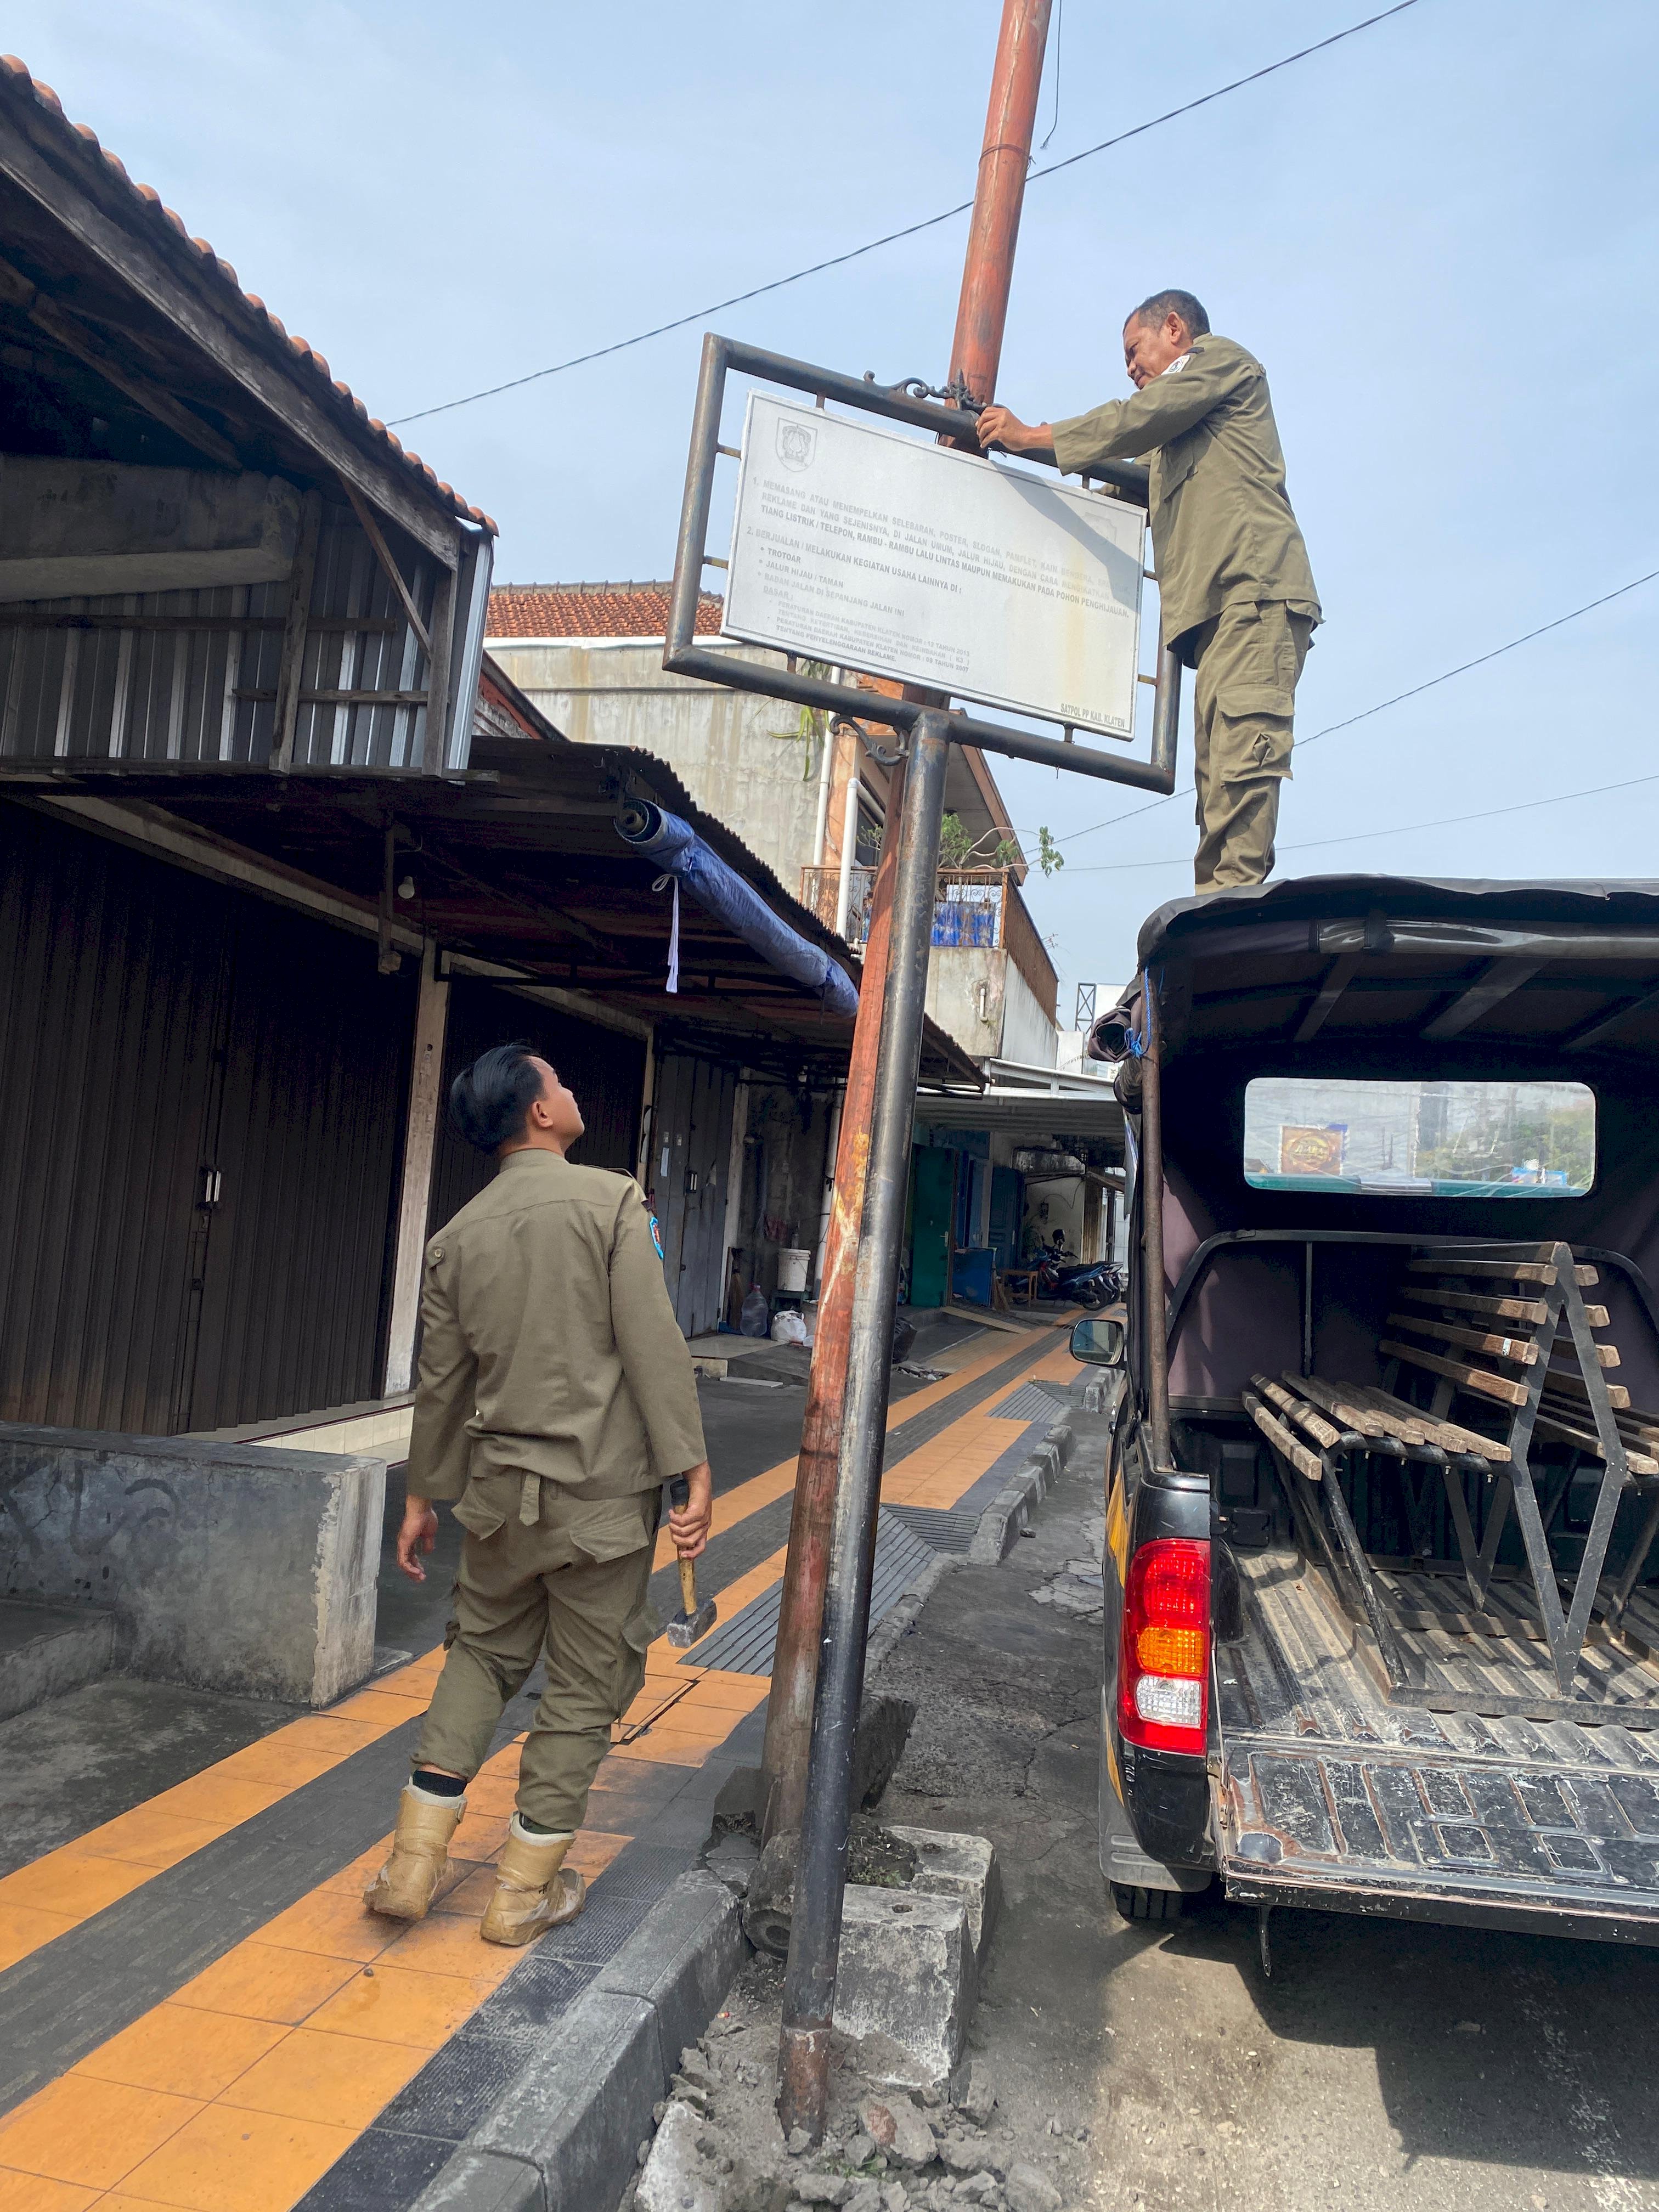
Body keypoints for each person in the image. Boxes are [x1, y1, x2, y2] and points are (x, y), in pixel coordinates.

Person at [364, 1042, 713, 1945]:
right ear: (540, 1113)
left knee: (479, 1654)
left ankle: (411, 1861)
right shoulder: (608, 1202)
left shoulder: (456, 1237)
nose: (569, 1086)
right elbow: (652, 1344)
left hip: (493, 1497)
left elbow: (441, 1383)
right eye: (558, 1079)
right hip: (600, 1499)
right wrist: (691, 1464)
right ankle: (520, 1891)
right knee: (585, 1685)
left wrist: (421, 1497)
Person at [976, 289, 1321, 893]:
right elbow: (1119, 500)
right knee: (1217, 795)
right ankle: (1213, 932)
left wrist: (1032, 435)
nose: (1132, 371)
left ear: (1174, 329)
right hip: (1218, 622)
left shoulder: (1219, 361)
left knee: (1238, 795)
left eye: (1136, 353)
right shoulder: (1176, 443)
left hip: (1253, 602)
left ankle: (1226, 945)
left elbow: (1134, 419)